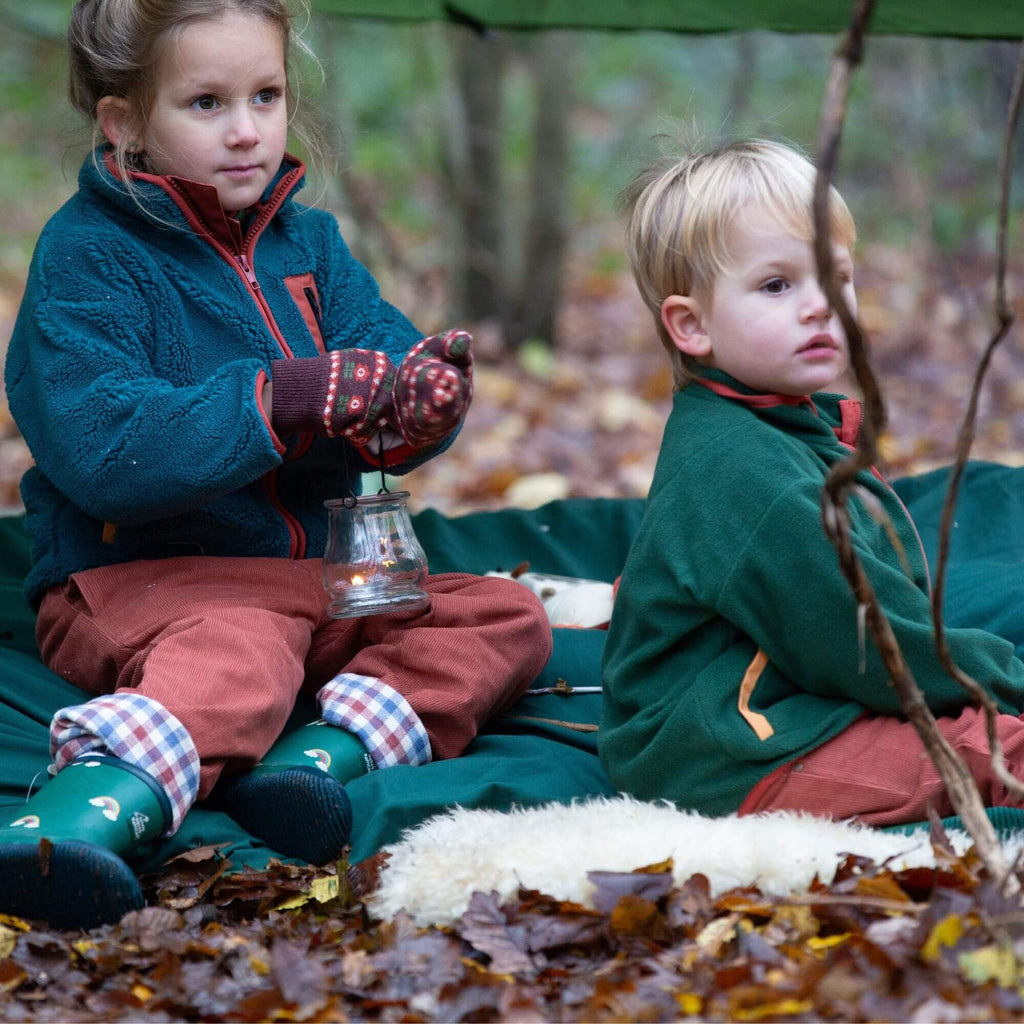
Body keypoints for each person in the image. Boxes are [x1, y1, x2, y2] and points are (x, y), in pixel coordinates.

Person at [0, 0, 551, 930]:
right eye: (206, 103)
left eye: (266, 94)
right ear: (125, 123)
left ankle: (317, 760)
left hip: (312, 580)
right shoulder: (90, 257)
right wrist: (280, 397)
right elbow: (102, 447)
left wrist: (415, 401)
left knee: (503, 616)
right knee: (241, 653)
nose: (247, 130)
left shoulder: (311, 242)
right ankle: (67, 828)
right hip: (148, 581)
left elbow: (372, 349)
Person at [600, 138, 1024, 827]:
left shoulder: (784, 426)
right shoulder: (742, 472)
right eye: (777, 285)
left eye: (838, 277)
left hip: (790, 699)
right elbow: (868, 643)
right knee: (996, 756)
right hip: (727, 751)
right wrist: (1005, 680)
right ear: (692, 325)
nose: (821, 306)